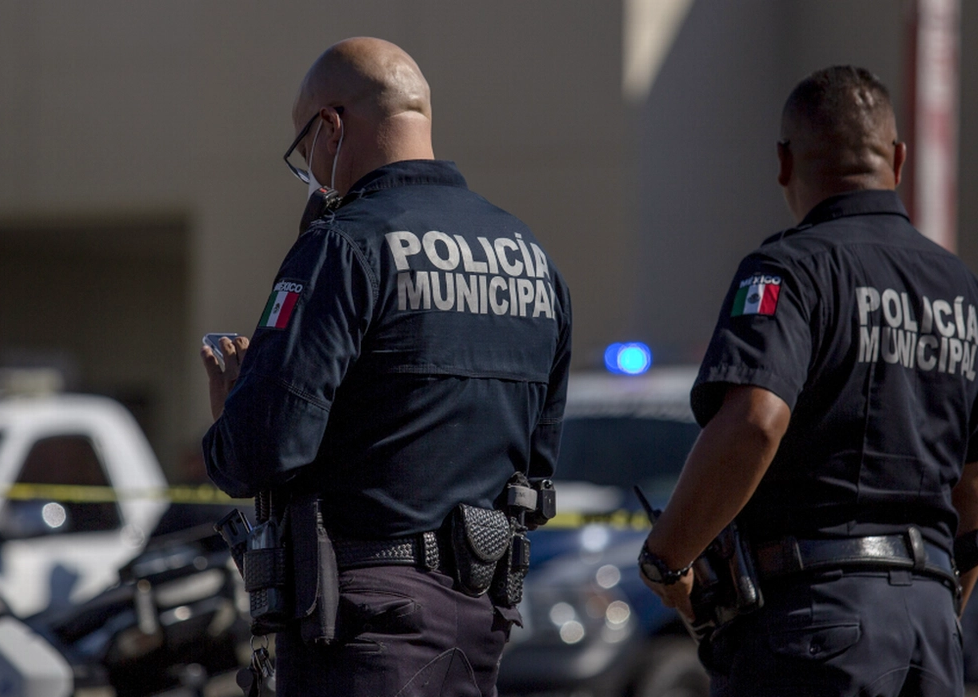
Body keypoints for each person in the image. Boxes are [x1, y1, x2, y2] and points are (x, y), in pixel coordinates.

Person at [201, 37, 571, 697]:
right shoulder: (530, 256)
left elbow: (261, 450)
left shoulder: (342, 247)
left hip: (363, 625)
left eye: (305, 150)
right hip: (480, 620)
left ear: (332, 126)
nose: (312, 172)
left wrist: (235, 404)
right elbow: (535, 470)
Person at [639, 65, 978, 696]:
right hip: (932, 631)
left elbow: (754, 422)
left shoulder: (789, 270)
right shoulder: (963, 290)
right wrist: (938, 604)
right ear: (898, 160)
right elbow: (976, 484)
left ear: (784, 163)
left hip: (815, 626)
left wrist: (666, 557)